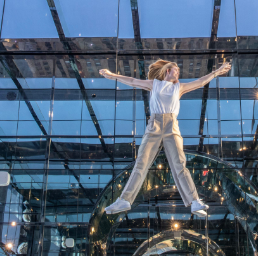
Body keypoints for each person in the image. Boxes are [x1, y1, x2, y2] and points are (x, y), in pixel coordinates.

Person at [99, 59, 232, 216]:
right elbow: (133, 81)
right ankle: (125, 200)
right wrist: (113, 75)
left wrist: (217, 71)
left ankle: (194, 201)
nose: (178, 73)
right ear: (167, 71)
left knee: (179, 164)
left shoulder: (179, 87)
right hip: (154, 125)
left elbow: (201, 81)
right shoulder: (154, 84)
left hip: (171, 126)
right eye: (176, 70)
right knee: (141, 162)